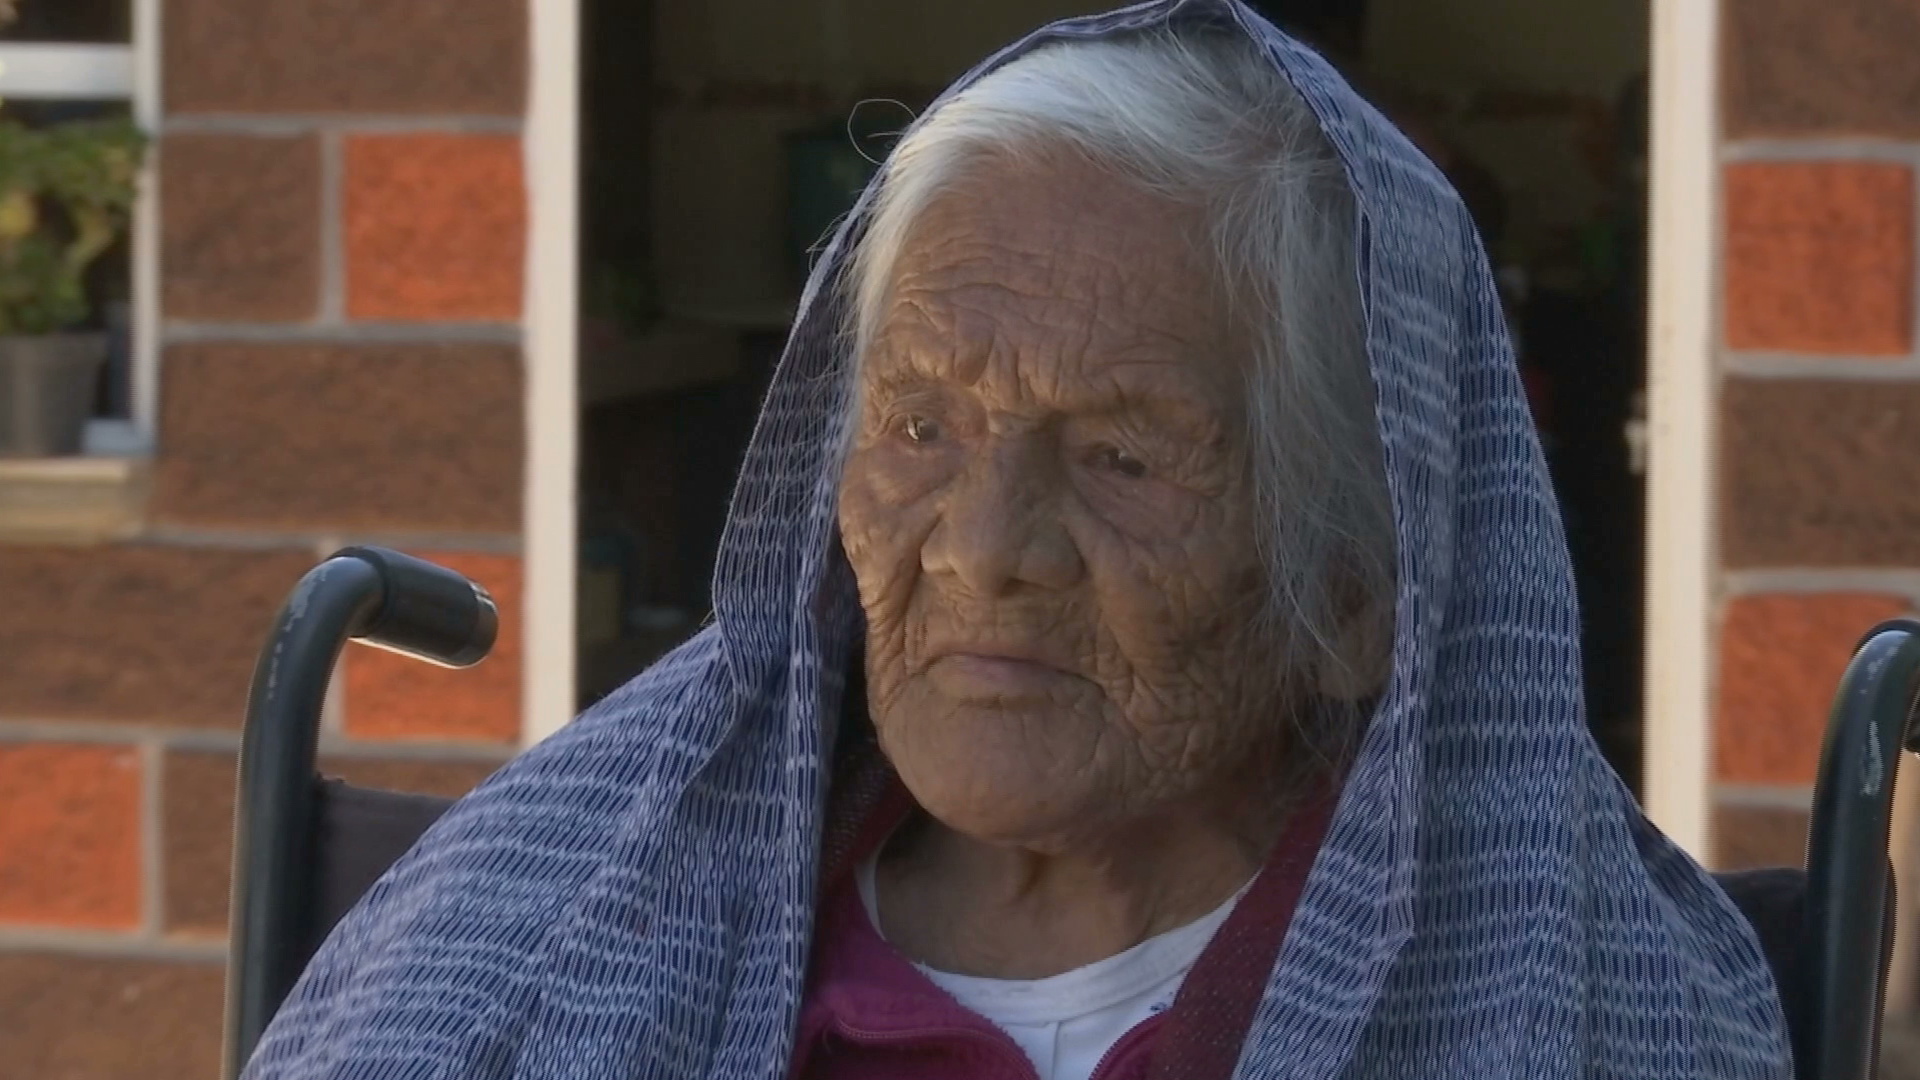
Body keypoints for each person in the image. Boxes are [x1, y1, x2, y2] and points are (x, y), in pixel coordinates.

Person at [244, 4, 1791, 1079]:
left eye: (1122, 455)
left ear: (1366, 582)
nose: (984, 548)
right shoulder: (522, 931)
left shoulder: (1580, 1005)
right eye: (919, 427)